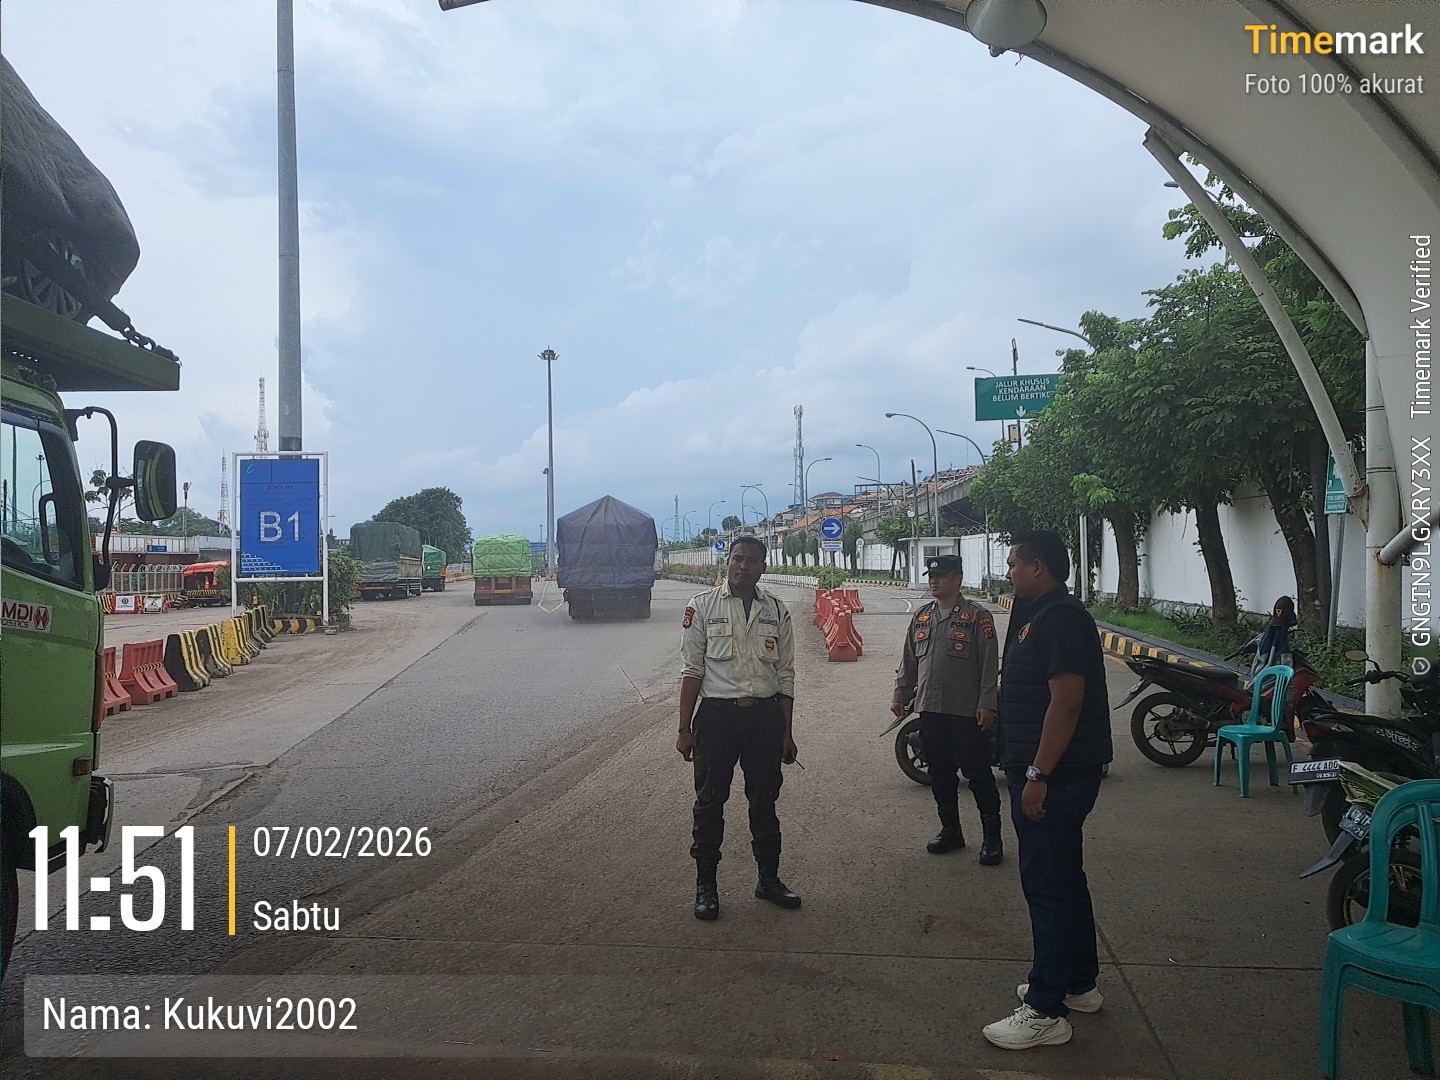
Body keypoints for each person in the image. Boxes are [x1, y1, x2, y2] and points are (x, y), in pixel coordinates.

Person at [983, 530, 1112, 1051]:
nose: (1008, 571)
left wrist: (1038, 775)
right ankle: (1077, 982)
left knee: (1047, 888)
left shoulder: (1059, 618)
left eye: (1014, 563)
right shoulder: (1038, 613)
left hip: (1055, 776)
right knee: (1065, 880)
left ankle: (1045, 1010)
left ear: (1038, 567)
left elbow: (1067, 702)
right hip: (1053, 772)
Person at [676, 535, 800, 921]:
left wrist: (786, 732)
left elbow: (785, 675)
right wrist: (684, 729)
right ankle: (706, 887)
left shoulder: (776, 610)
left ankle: (768, 880)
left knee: (764, 802)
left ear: (763, 567)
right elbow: (692, 670)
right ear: (727, 562)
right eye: (737, 558)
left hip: (764, 717)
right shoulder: (702, 606)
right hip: (717, 718)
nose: (743, 566)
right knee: (710, 803)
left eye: (751, 560)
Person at [890, 554, 1003, 865]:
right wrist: (900, 694)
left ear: (958, 579)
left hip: (966, 711)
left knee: (978, 774)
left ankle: (992, 838)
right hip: (931, 709)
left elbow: (988, 665)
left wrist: (987, 704)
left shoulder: (977, 616)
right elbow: (909, 660)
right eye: (931, 576)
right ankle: (951, 831)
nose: (934, 581)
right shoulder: (922, 616)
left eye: (941, 576)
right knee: (940, 774)